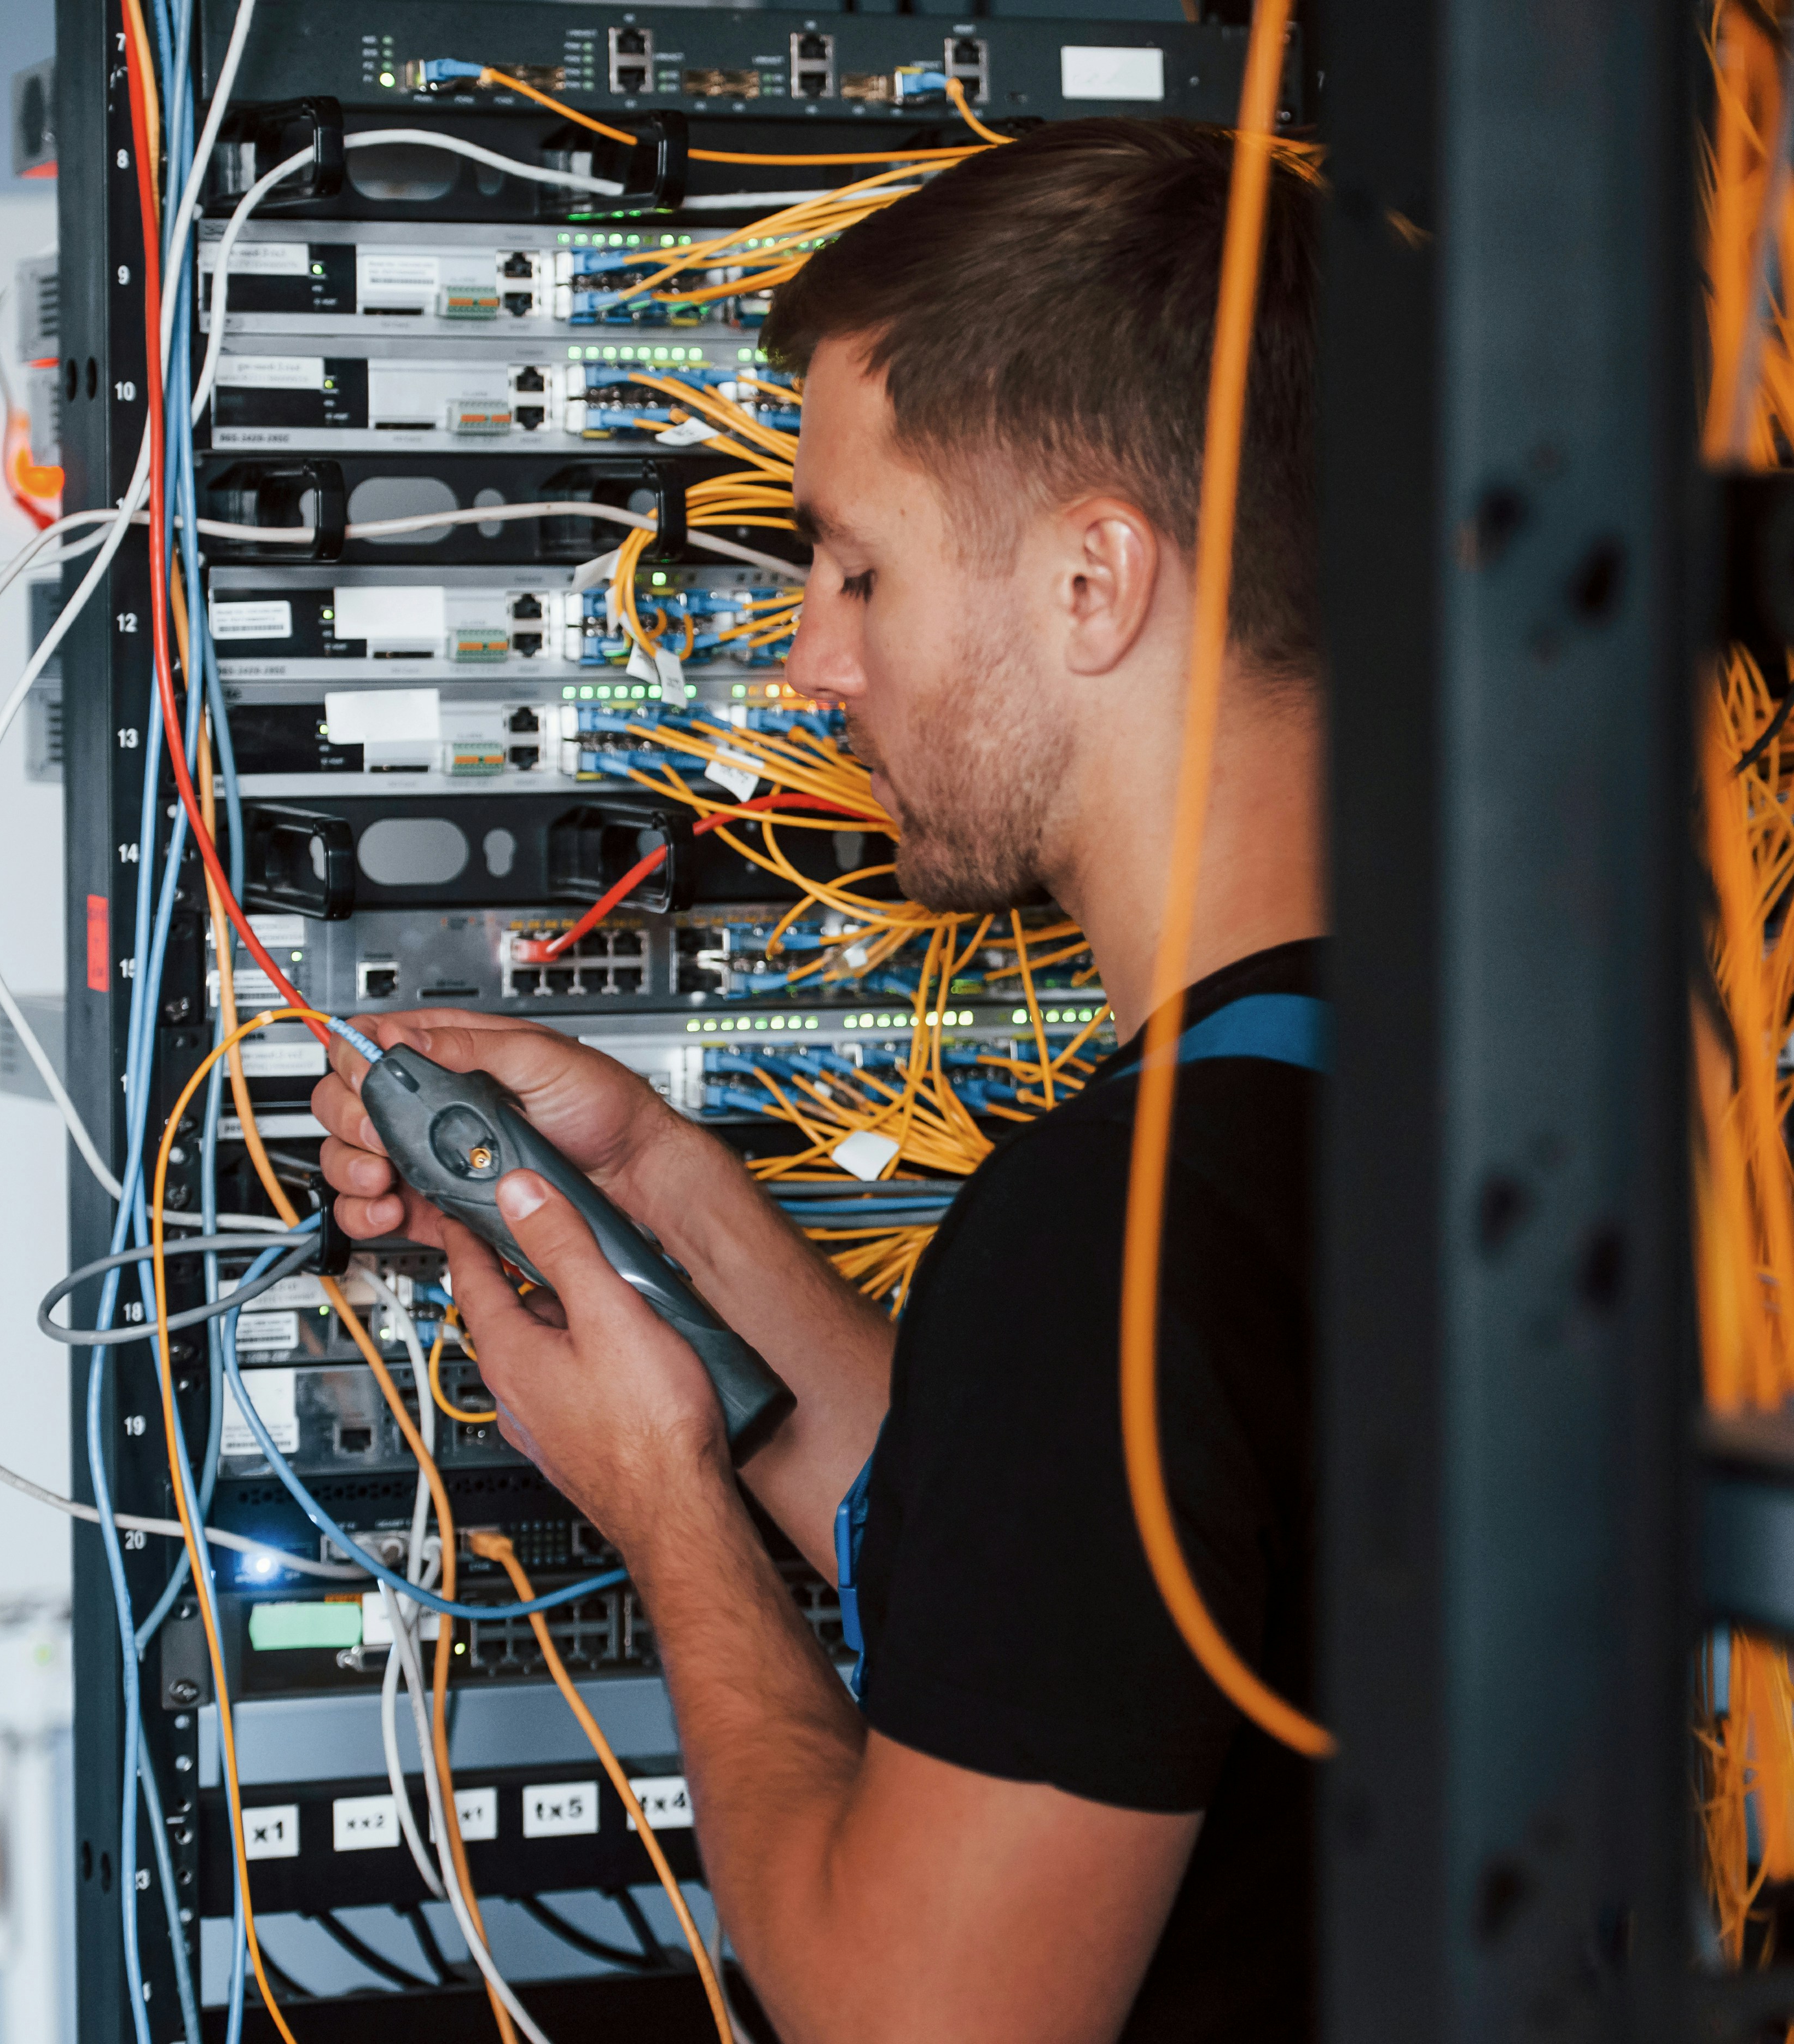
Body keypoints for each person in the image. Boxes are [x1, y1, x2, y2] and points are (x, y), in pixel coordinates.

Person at [306, 119, 1324, 2043]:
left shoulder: (1111, 1238)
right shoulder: (1408, 1099)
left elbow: (915, 2020)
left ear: (1094, 582)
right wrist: (667, 1186)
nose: (806, 659)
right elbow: (1068, 1581)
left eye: (856, 566)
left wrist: (661, 1499)